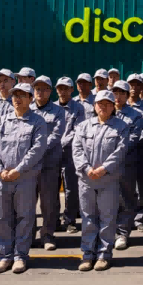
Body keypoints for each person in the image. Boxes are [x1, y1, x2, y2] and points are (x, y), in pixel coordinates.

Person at [0, 82, 48, 274]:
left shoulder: (38, 122)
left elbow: (37, 149)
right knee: (2, 218)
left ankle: (20, 256)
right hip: (2, 178)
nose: (17, 99)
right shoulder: (1, 121)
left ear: (30, 98)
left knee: (24, 217)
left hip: (25, 179)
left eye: (22, 95)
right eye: (15, 95)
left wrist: (19, 170)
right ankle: (4, 256)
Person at [72, 89, 129, 272]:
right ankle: (88, 255)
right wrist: (87, 168)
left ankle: (104, 255)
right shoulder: (83, 126)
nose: (103, 107)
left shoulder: (121, 126)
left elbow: (120, 151)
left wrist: (104, 169)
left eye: (107, 104)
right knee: (88, 218)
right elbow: (77, 150)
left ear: (113, 106)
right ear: (94, 106)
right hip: (86, 180)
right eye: (100, 103)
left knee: (107, 218)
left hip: (108, 180)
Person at [29, 76, 66, 251]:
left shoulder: (58, 111)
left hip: (49, 163)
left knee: (48, 202)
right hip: (29, 165)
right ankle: (27, 236)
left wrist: (37, 149)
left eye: (44, 89)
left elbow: (56, 135)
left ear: (50, 91)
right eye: (37, 89)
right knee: (27, 201)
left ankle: (47, 235)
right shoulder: (27, 109)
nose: (40, 92)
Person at [112, 81, 143, 249]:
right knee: (107, 199)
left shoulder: (136, 115)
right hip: (106, 164)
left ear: (127, 96)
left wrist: (113, 151)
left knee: (126, 198)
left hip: (126, 163)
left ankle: (122, 233)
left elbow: (133, 138)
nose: (118, 96)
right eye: (115, 93)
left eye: (122, 93)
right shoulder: (105, 111)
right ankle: (108, 232)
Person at [56, 77, 86, 234]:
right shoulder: (52, 107)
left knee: (70, 188)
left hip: (70, 154)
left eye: (66, 88)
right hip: (52, 154)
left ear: (71, 90)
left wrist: (60, 142)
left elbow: (78, 130)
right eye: (60, 88)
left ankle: (69, 220)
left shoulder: (78, 108)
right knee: (51, 188)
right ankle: (53, 220)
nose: (62, 91)